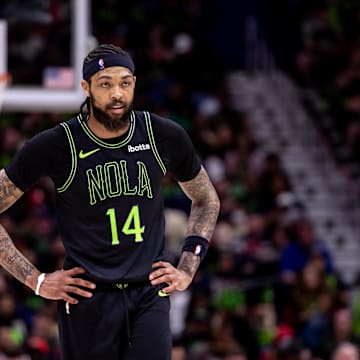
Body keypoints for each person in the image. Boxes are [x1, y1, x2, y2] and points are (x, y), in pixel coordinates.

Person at [0, 44, 220, 360]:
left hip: (148, 294)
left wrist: (187, 267)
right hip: (88, 299)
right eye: (106, 84)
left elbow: (206, 198)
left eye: (125, 83)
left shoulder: (162, 135)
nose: (117, 93)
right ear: (86, 88)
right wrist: (35, 280)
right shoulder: (57, 144)